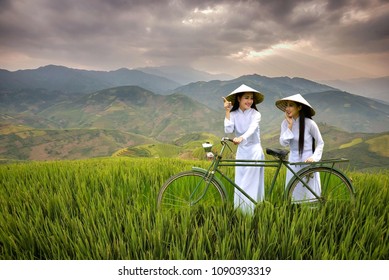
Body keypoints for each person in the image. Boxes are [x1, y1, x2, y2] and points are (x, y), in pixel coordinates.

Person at [223, 84, 265, 213]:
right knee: (240, 184)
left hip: (254, 152)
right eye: (246, 98)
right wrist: (227, 111)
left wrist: (242, 138)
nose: (249, 101)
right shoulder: (234, 114)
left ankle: (250, 214)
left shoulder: (255, 114)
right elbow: (228, 129)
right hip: (241, 152)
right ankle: (240, 213)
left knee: (250, 184)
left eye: (251, 98)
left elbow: (252, 129)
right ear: (239, 99)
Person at [275, 94, 324, 202]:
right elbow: (283, 142)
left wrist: (314, 158)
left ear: (299, 107)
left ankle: (312, 211)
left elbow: (320, 143)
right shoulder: (285, 123)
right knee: (293, 189)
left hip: (308, 159)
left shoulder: (310, 123)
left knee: (309, 191)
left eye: (291, 105)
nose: (287, 108)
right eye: (287, 105)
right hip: (293, 159)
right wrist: (290, 126)